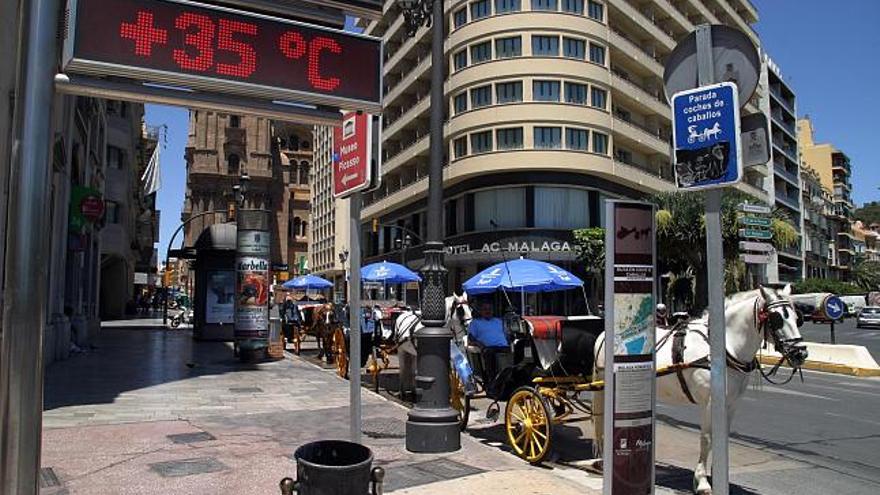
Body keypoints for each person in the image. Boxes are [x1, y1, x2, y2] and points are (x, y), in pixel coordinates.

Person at [468, 302, 509, 384]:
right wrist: (479, 344)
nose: (488, 311)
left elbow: (507, 334)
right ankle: (492, 381)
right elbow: (471, 338)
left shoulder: (499, 321)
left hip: (504, 347)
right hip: (489, 348)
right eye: (485, 309)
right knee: (489, 353)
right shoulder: (475, 322)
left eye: (489, 309)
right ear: (481, 311)